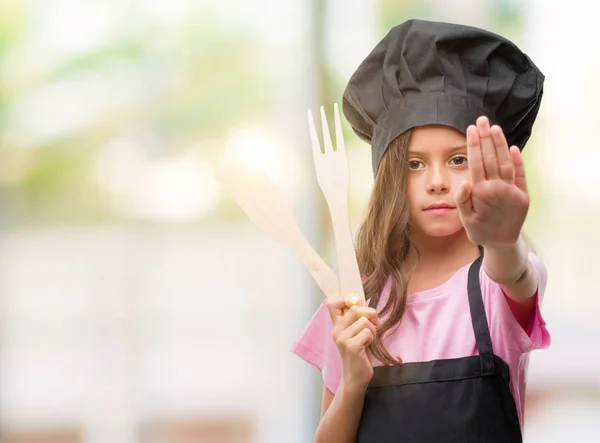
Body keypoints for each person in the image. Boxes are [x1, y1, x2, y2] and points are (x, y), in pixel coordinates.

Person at [291, 19, 550, 443]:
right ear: (390, 177)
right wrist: (354, 381)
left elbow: (515, 272)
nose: (436, 181)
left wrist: (503, 241)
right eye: (414, 164)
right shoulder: (357, 301)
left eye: (457, 159)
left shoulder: (496, 287)